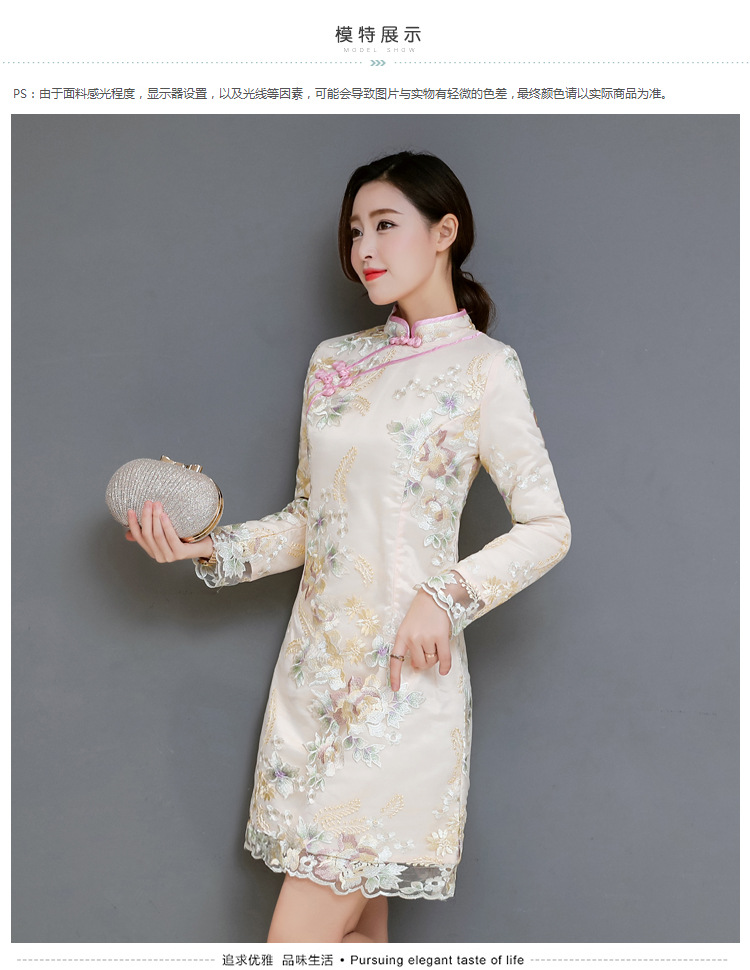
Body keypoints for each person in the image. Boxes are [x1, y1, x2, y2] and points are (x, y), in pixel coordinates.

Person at [125, 151, 571, 943]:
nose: (364, 247)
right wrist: (206, 550)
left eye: (385, 225)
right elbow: (312, 521)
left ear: (444, 232)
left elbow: (547, 526)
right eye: (356, 230)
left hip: (401, 684)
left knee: (294, 946)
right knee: (358, 942)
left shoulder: (485, 370)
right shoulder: (334, 363)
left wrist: (444, 597)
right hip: (314, 676)